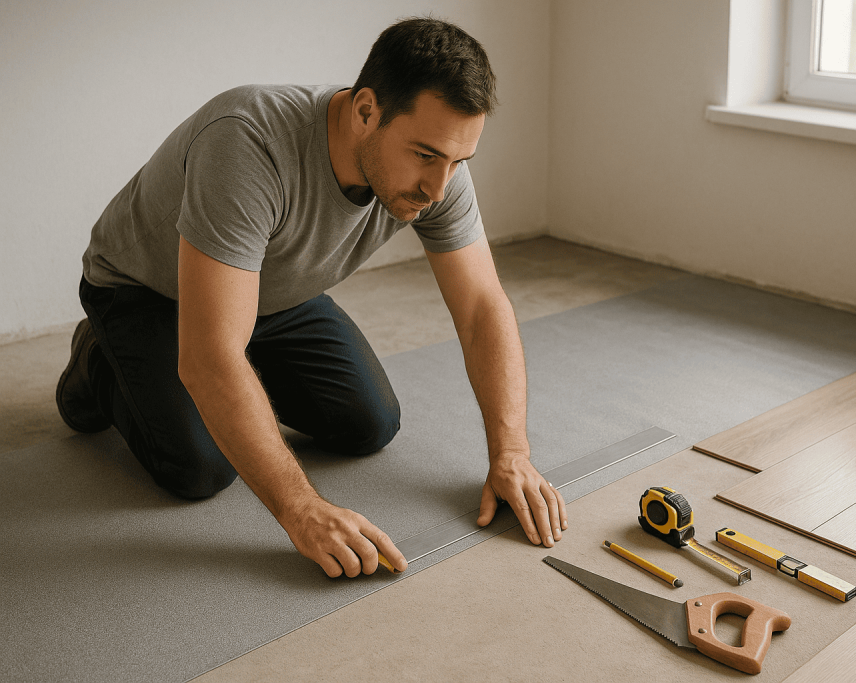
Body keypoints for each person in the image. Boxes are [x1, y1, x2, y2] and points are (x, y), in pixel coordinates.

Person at [55, 17, 566, 579]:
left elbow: (482, 308)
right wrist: (302, 509)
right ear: (366, 110)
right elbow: (208, 358)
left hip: (271, 293)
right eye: (425, 155)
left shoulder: (438, 171)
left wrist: (511, 453)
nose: (438, 188)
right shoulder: (246, 142)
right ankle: (97, 357)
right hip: (145, 290)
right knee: (200, 467)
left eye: (457, 161)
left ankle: (239, 361)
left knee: (369, 424)